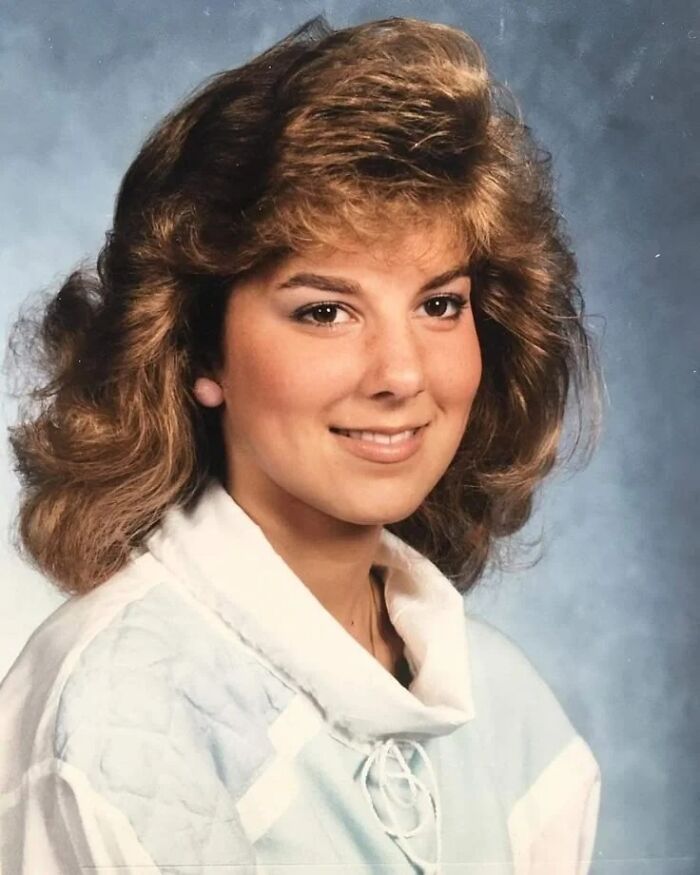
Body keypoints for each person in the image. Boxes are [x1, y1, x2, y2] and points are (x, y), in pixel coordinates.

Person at [0, 15, 603, 875]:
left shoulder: (524, 732)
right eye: (326, 310)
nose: (402, 374)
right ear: (199, 349)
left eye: (440, 304)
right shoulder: (102, 721)